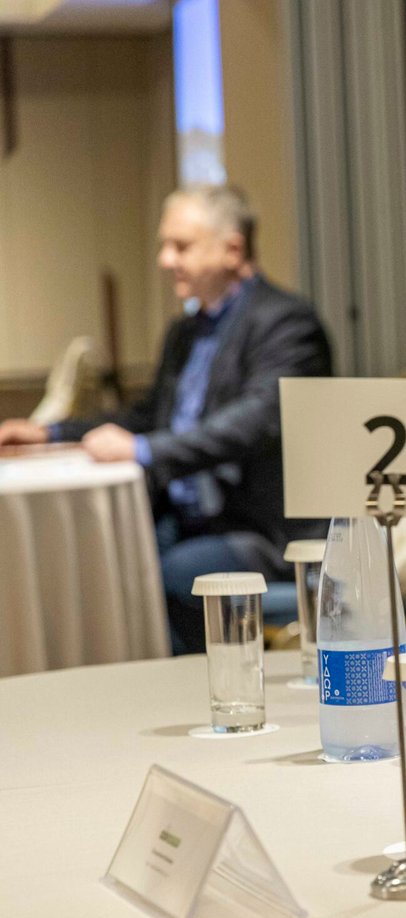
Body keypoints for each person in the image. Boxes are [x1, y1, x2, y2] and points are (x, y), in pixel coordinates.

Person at [0, 184, 332, 654]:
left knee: (163, 575)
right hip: (187, 515)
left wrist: (144, 450)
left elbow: (251, 424)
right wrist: (49, 431)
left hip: (257, 529)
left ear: (232, 249)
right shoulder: (185, 331)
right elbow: (147, 416)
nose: (165, 259)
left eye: (181, 246)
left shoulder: (286, 322)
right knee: (98, 563)